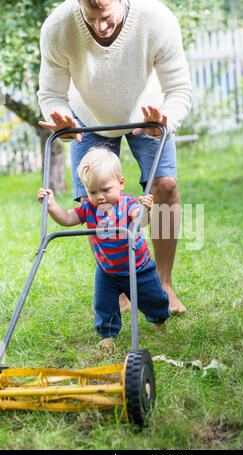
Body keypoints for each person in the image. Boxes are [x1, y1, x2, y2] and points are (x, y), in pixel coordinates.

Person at [37, 0, 192, 314]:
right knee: (91, 200)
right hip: (87, 117)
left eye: (107, 17)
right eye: (91, 18)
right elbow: (51, 93)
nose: (100, 26)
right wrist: (64, 123)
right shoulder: (58, 26)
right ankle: (118, 282)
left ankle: (162, 284)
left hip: (148, 114)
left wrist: (166, 120)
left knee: (165, 185)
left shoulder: (156, 18)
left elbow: (179, 88)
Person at [37, 147, 170, 351]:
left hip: (138, 267)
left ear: (121, 183)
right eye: (92, 192)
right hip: (107, 270)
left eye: (106, 190)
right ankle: (107, 336)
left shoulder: (128, 203)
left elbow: (140, 222)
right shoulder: (88, 208)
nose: (99, 197)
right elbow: (67, 218)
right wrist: (52, 205)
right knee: (104, 305)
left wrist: (145, 210)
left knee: (155, 301)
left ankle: (159, 318)